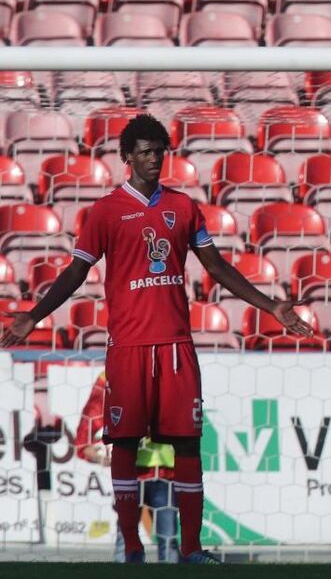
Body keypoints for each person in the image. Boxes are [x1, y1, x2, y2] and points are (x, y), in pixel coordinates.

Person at [0, 114, 313, 564]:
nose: (153, 159)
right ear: (126, 157)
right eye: (145, 152)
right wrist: (34, 315)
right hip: (127, 348)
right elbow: (75, 272)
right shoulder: (105, 212)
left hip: (175, 347)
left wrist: (271, 306)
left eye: (159, 151)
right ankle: (131, 547)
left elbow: (218, 268)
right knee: (124, 444)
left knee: (186, 443)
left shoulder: (183, 207)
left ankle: (190, 549)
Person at [75, 371, 179, 563]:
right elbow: (92, 422)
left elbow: (175, 412)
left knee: (169, 537)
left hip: (163, 471)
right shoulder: (109, 375)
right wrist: (101, 457)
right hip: (130, 472)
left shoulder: (163, 372)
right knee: (126, 536)